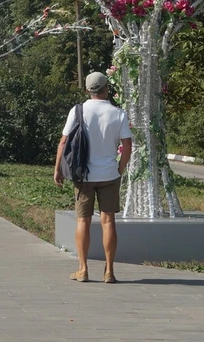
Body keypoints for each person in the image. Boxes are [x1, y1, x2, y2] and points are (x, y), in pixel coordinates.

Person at [53, 71, 132, 284]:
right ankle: (109, 271)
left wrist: (58, 169)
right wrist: (120, 167)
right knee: (108, 221)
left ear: (88, 90)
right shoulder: (118, 113)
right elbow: (127, 145)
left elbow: (64, 141)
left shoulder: (77, 110)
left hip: (83, 175)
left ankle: (83, 269)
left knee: (83, 221)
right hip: (109, 174)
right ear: (107, 88)